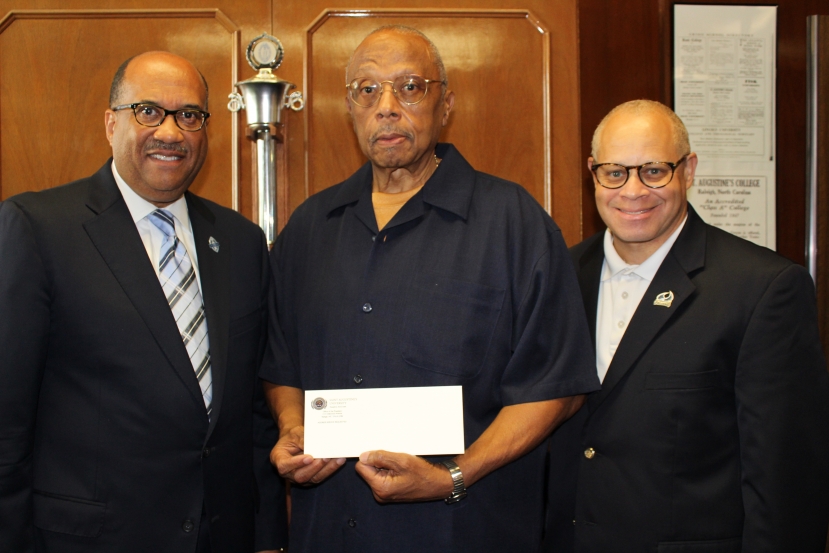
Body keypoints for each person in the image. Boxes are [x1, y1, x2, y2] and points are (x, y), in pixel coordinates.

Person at [260, 25, 600, 552]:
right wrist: (292, 429)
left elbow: (556, 387)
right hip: (328, 528)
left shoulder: (513, 223)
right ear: (351, 108)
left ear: (446, 104)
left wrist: (453, 476)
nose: (387, 107)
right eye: (367, 90)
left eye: (410, 86)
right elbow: (281, 365)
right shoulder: (309, 228)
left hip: (465, 529)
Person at [0, 51, 287, 553]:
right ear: (111, 123)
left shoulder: (241, 243)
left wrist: (267, 540)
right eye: (148, 111)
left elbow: (250, 415)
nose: (171, 132)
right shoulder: (38, 228)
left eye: (190, 115)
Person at [545, 99, 829, 552]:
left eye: (654, 171)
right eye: (615, 172)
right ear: (593, 172)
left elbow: (786, 481)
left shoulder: (762, 288)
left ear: (688, 170)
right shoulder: (559, 276)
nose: (633, 191)